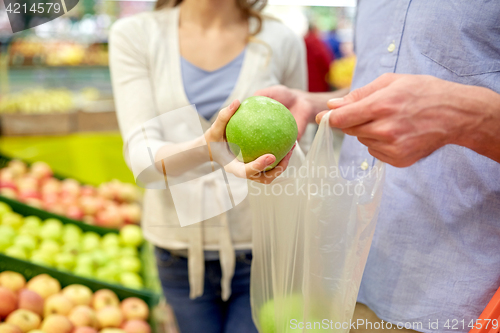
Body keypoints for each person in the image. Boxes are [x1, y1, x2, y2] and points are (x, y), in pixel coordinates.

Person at [253, 1, 500, 332]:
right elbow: (372, 82)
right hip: (346, 273)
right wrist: (312, 102)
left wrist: (464, 113)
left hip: (460, 295)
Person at [108, 0, 306, 332]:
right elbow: (142, 159)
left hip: (266, 246)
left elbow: (300, 137)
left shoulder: (282, 38)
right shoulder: (136, 34)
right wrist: (208, 150)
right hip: (178, 250)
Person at [304, 24, 333, 92]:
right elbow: (325, 62)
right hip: (318, 81)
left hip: (304, 80)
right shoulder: (316, 42)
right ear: (315, 30)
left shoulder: (302, 41)